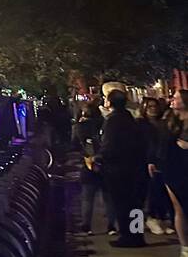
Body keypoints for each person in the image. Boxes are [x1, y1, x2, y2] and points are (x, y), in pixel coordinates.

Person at [97, 90, 147, 247]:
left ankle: (127, 236)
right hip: (134, 167)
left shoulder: (113, 121)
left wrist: (99, 157)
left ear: (109, 103)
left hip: (118, 169)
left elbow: (109, 145)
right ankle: (137, 235)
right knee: (135, 204)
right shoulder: (129, 118)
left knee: (122, 204)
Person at [73, 101, 109, 235]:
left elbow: (74, 145)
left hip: (87, 163)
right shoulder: (104, 124)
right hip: (104, 162)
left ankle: (86, 226)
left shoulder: (79, 127)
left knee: (87, 197)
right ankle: (111, 226)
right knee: (107, 196)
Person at [139, 96, 173, 235]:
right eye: (149, 106)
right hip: (146, 162)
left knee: (162, 191)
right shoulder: (141, 125)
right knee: (150, 191)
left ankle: (162, 218)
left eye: (155, 106)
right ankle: (151, 218)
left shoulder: (163, 124)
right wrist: (148, 160)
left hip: (162, 161)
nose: (153, 109)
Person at [161, 89, 188, 257]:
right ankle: (185, 247)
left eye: (177, 98)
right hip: (173, 168)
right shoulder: (170, 121)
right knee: (179, 208)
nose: (173, 100)